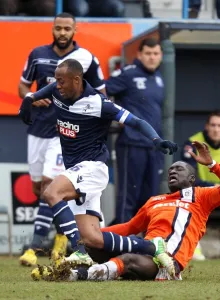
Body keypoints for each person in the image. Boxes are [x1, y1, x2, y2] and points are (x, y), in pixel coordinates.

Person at [19, 58, 178, 269]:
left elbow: (136, 121)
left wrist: (156, 140)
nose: (57, 85)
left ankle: (79, 252)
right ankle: (152, 247)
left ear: (76, 79)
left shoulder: (98, 103)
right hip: (76, 171)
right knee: (93, 238)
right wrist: (29, 99)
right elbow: (44, 91)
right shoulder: (59, 90)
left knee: (51, 193)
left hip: (93, 168)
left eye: (61, 81)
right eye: (56, 81)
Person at [33, 141, 220, 282]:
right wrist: (92, 236)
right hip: (144, 251)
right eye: (170, 169)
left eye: (179, 169)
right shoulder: (155, 200)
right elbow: (129, 227)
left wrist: (212, 164)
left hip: (168, 262)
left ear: (192, 178)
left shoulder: (202, 196)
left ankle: (75, 275)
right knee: (93, 246)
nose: (172, 172)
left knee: (129, 259)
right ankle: (83, 268)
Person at [18, 12, 106, 267]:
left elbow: (101, 94)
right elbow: (23, 87)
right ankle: (60, 240)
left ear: (75, 30)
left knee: (50, 186)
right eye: (59, 28)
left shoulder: (86, 60)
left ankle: (34, 249)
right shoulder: (37, 54)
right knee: (39, 189)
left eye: (67, 28)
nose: (63, 33)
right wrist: (32, 97)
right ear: (53, 29)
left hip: (65, 132)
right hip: (38, 130)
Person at [105, 37, 164, 225]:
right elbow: (102, 91)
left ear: (161, 55)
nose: (152, 58)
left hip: (153, 147)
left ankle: (147, 245)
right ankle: (123, 247)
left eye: (156, 54)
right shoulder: (128, 74)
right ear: (139, 54)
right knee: (128, 198)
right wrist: (116, 117)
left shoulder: (160, 77)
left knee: (150, 199)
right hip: (132, 144)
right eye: (148, 53)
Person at [182, 110, 220, 261]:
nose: (216, 129)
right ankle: (193, 247)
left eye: (219, 125)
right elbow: (190, 178)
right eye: (213, 125)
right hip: (201, 193)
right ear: (206, 126)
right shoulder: (193, 143)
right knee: (185, 195)